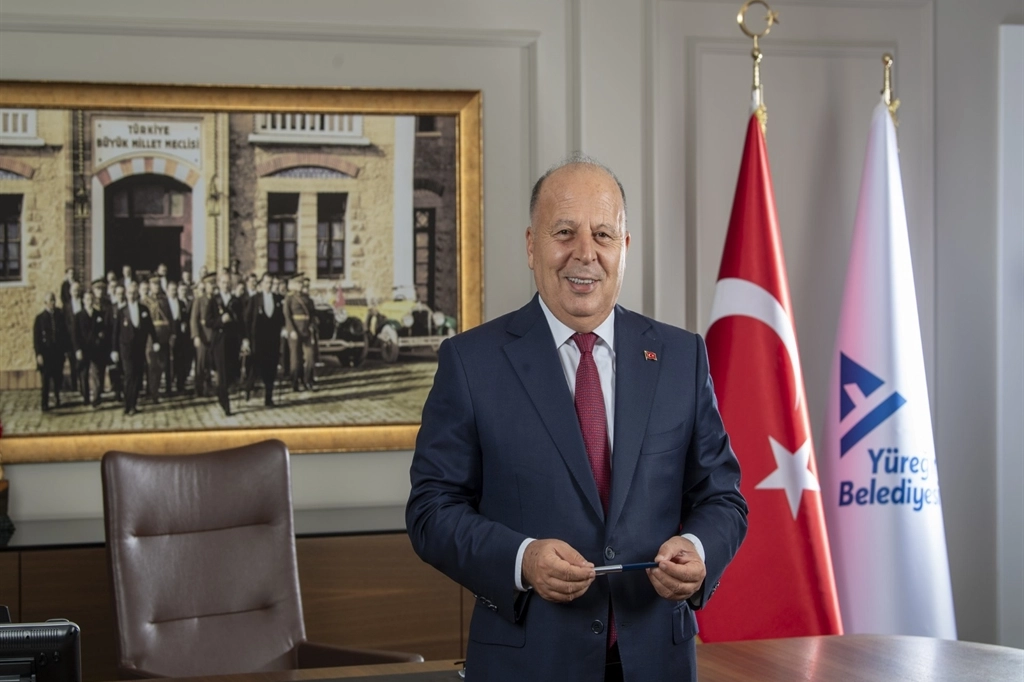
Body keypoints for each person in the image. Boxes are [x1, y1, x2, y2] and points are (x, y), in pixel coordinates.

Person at [406, 156, 748, 682]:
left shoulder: (682, 358)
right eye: (564, 232)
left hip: (656, 662)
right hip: (527, 665)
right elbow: (431, 510)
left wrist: (699, 549)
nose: (585, 253)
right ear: (531, 246)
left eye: (603, 234)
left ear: (624, 248)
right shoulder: (471, 363)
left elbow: (722, 497)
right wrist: (522, 559)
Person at [112, 281, 157, 416]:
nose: (131, 296)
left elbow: (150, 327)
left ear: (137, 294)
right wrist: (114, 350)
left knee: (137, 375)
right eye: (129, 293)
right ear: (126, 294)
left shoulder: (144, 309)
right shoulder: (122, 311)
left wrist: (155, 341)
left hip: (139, 347)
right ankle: (128, 405)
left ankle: (134, 403)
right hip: (126, 348)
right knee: (129, 374)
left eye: (134, 293)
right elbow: (115, 332)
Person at [205, 270, 245, 416]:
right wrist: (220, 320)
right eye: (223, 282)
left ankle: (222, 391)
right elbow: (208, 321)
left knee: (231, 371)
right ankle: (225, 403)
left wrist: (244, 340)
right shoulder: (214, 300)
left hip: (233, 340)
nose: (226, 285)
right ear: (219, 284)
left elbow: (241, 322)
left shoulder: (236, 301)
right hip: (219, 341)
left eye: (228, 283)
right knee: (221, 372)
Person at [245, 273, 285, 406]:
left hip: (272, 340)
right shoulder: (254, 299)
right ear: (261, 284)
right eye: (266, 283)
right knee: (255, 366)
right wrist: (247, 339)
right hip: (258, 340)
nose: (268, 285)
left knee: (271, 368)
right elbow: (247, 320)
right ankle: (248, 388)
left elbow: (281, 319)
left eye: (271, 283)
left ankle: (269, 397)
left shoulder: (278, 299)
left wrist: (283, 329)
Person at [73, 290, 109, 408]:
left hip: (96, 349)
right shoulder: (78, 316)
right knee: (84, 374)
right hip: (84, 349)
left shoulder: (99, 314)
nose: (89, 302)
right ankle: (86, 397)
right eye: (87, 299)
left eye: (91, 299)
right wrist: (78, 349)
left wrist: (101, 336)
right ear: (83, 301)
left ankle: (96, 398)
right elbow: (75, 335)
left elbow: (103, 329)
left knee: (96, 373)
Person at [33, 292, 67, 411]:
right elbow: (36, 339)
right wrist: (38, 354)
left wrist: (65, 351)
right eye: (50, 301)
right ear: (45, 303)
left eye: (53, 300)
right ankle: (45, 403)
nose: (52, 303)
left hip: (57, 353)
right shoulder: (40, 318)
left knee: (58, 377)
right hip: (46, 354)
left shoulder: (60, 316)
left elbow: (64, 334)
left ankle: (57, 398)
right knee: (45, 380)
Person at [283, 273, 315, 392]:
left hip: (306, 329)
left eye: (302, 283)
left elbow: (312, 314)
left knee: (310, 357)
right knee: (295, 359)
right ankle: (295, 382)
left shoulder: (307, 298)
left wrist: (311, 326)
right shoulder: (290, 298)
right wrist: (291, 330)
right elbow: (287, 315)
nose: (301, 286)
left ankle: (307, 380)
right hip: (295, 330)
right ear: (294, 284)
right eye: (299, 283)